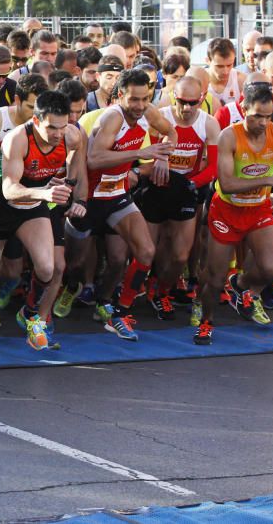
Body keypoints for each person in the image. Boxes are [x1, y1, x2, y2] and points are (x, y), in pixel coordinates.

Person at [0, 91, 86, 357]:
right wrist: (45, 193)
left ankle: (30, 316)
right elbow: (9, 189)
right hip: (1, 206)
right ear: (37, 120)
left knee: (46, 268)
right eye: (52, 127)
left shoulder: (71, 134)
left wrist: (70, 182)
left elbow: (78, 151)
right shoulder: (17, 139)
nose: (57, 134)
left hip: (33, 205)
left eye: (62, 126)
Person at [72, 68, 177, 341]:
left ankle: (114, 310)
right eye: (134, 100)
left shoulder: (148, 111)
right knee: (72, 262)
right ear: (120, 96)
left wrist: (163, 157)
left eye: (145, 99)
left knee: (142, 252)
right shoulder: (112, 118)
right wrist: (140, 153)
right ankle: (49, 303)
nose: (140, 106)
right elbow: (94, 159)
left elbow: (171, 132)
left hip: (117, 195)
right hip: (89, 198)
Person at [195, 82, 273, 345]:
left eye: (267, 116)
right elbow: (228, 184)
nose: (263, 123)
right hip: (227, 211)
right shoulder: (229, 136)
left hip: (258, 209)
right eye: (257, 116)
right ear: (243, 109)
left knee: (271, 268)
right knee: (215, 277)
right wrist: (270, 181)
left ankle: (241, 286)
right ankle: (206, 321)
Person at [136, 75, 220, 320]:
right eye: (181, 101)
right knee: (148, 250)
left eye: (192, 102)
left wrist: (190, 184)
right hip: (157, 185)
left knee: (181, 255)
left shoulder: (209, 124)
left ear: (202, 99)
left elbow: (213, 168)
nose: (186, 108)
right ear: (174, 97)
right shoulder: (161, 117)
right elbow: (144, 157)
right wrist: (158, 160)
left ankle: (162, 290)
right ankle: (131, 295)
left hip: (186, 189)